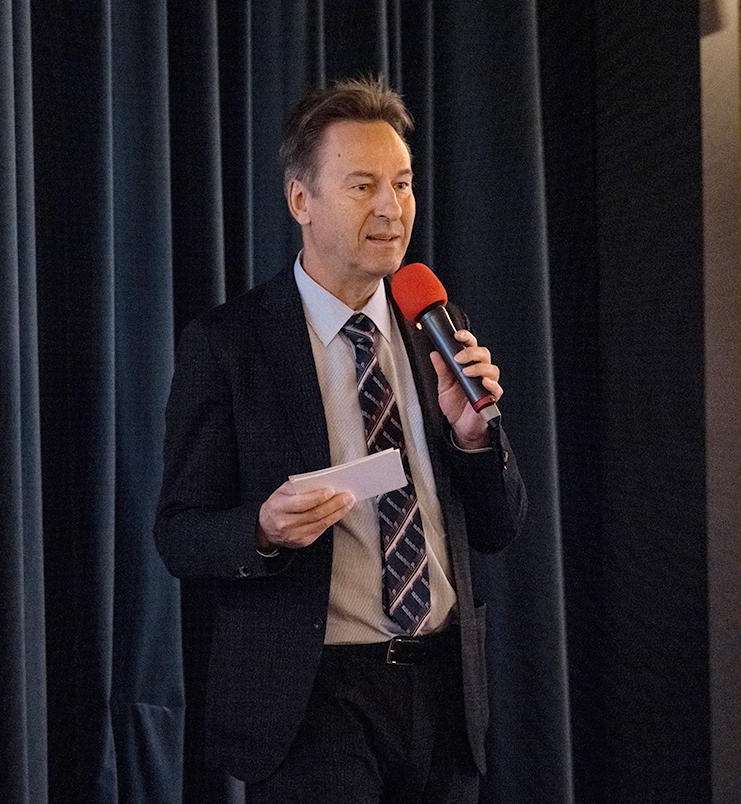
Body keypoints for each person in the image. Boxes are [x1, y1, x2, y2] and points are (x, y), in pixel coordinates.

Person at [154, 76, 526, 803]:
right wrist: (262, 529)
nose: (391, 208)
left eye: (403, 184)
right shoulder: (232, 344)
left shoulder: (435, 328)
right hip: (312, 700)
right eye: (363, 186)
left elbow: (499, 527)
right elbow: (179, 534)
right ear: (302, 200)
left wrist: (474, 438)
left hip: (445, 696)